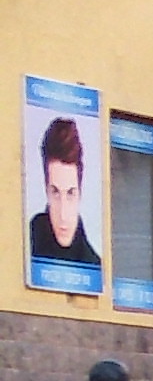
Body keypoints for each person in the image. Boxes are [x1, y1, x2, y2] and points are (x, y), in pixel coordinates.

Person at [28, 115, 96, 279]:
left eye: (71, 193)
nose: (63, 214)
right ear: (46, 191)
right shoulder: (24, 246)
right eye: (55, 193)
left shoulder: (93, 266)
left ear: (80, 192)